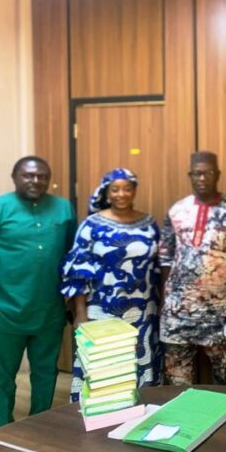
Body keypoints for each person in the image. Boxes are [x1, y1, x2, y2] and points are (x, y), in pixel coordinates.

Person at [0, 156, 76, 428]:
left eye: (41, 176)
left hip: (49, 312)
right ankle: (3, 433)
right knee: (2, 379)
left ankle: (38, 428)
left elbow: (74, 256)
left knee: (45, 374)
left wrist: (71, 301)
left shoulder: (63, 208)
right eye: (28, 175)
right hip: (3, 312)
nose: (35, 181)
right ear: (14, 177)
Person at [60, 168, 162, 401]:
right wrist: (80, 313)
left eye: (127, 188)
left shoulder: (148, 223)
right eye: (115, 189)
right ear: (107, 192)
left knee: (140, 362)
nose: (121, 194)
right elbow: (78, 271)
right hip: (101, 310)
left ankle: (138, 412)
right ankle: (99, 416)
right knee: (103, 366)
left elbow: (158, 267)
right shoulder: (91, 225)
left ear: (134, 191)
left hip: (144, 311)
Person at [159, 151, 226, 386]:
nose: (202, 178)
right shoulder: (177, 210)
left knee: (222, 380)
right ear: (190, 175)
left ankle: (221, 421)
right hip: (178, 313)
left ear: (217, 174)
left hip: (220, 312)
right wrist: (166, 299)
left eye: (207, 173)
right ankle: (183, 420)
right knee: (177, 381)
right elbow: (166, 258)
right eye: (197, 173)